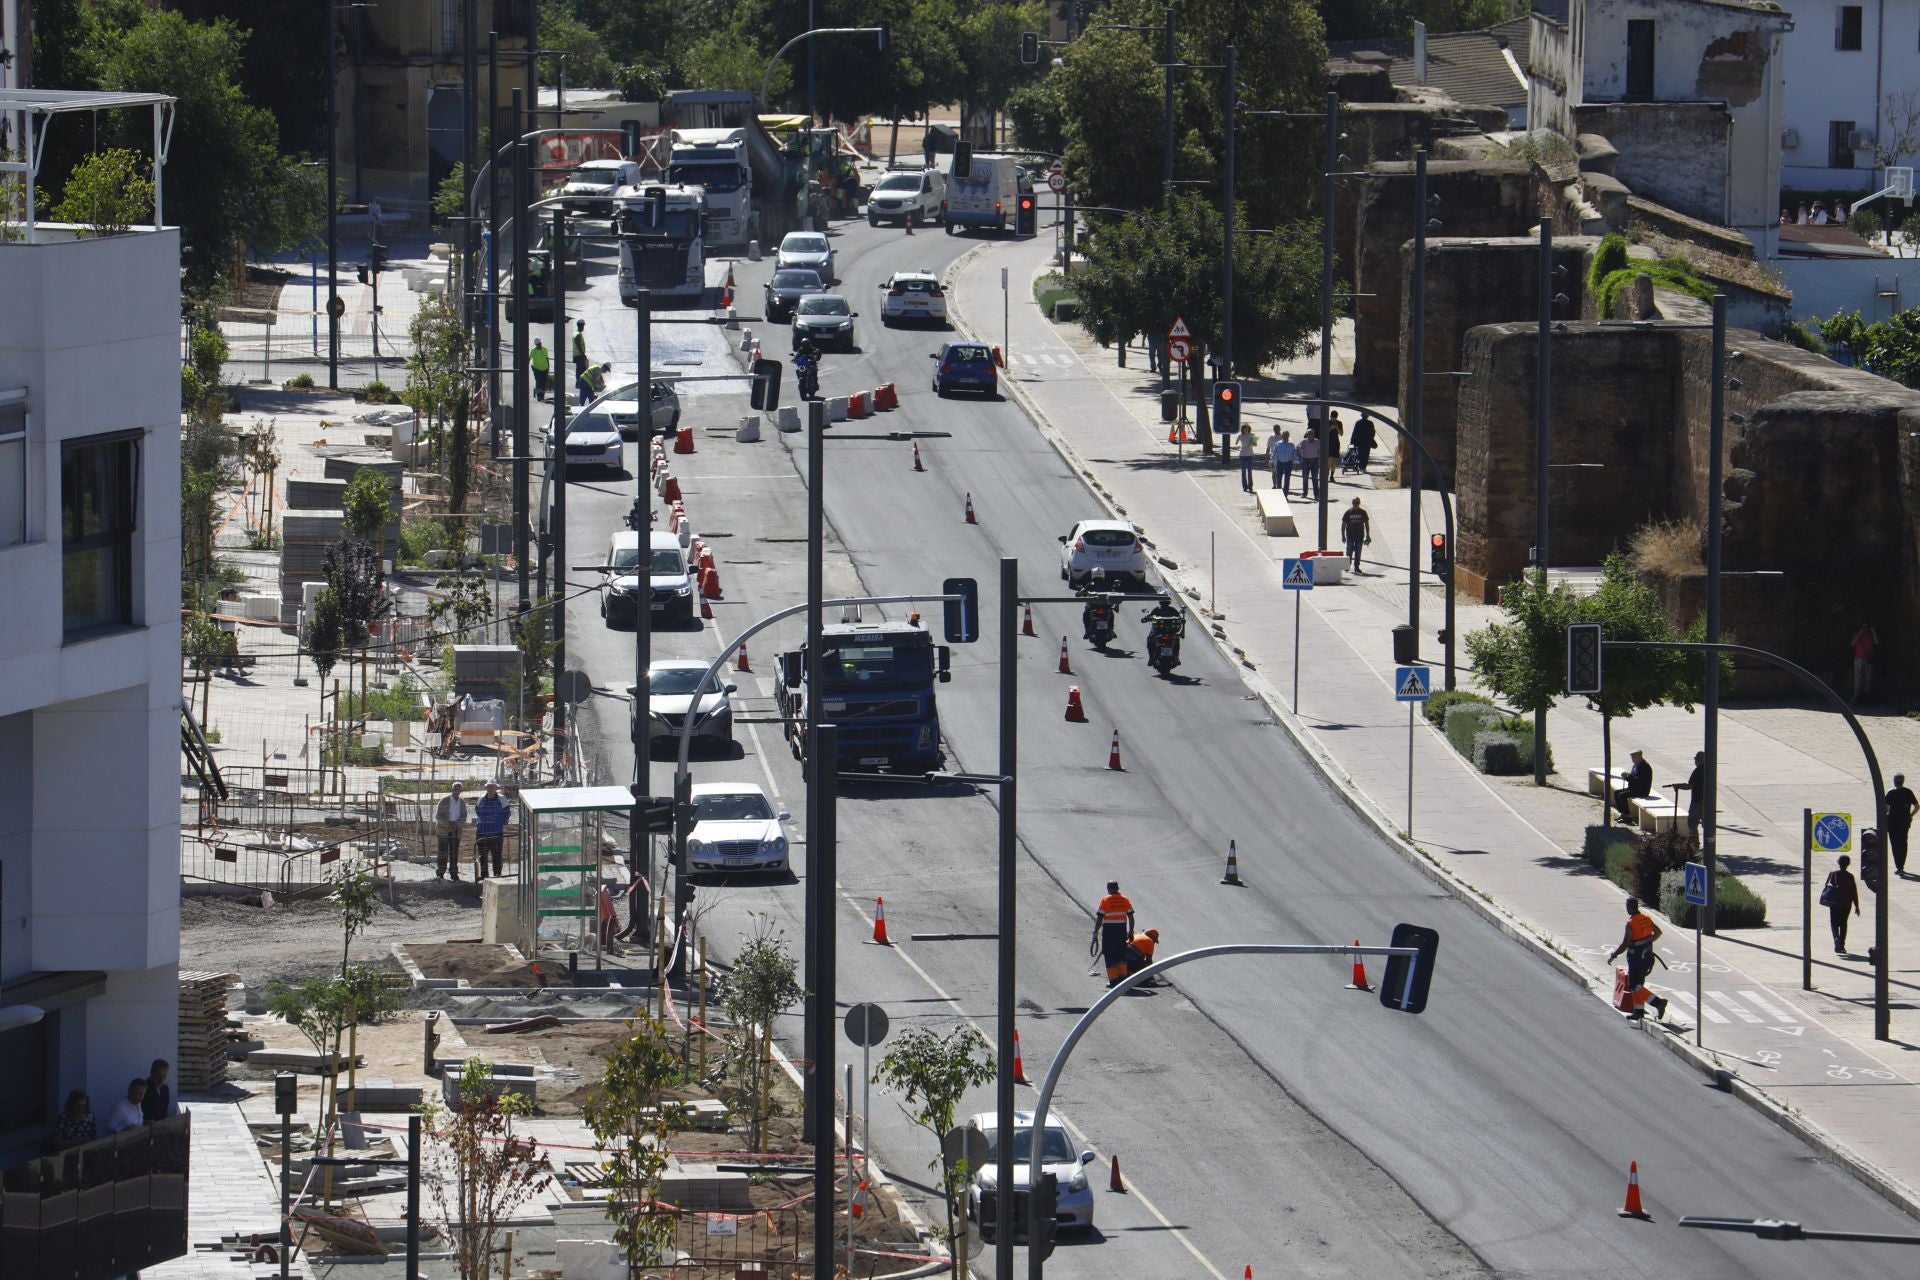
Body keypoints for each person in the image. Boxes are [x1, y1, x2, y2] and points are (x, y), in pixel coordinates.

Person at [1606, 897, 1668, 1020]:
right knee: (1638, 986)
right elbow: (1658, 932)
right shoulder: (1646, 918)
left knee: (1634, 986)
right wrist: (1647, 942)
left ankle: (1658, 1003)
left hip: (1637, 959)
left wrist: (1614, 955)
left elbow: (1625, 943)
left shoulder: (1631, 923)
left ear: (1629, 908)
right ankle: (1638, 1012)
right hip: (1648, 958)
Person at [1092, 881, 1135, 989]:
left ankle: (1113, 981)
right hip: (1121, 931)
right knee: (1121, 955)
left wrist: (1095, 932)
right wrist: (1131, 931)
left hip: (1109, 932)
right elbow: (1130, 917)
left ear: (1108, 888)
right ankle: (1122, 979)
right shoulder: (1125, 899)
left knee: (1109, 955)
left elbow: (1100, 917)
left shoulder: (1105, 900)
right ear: (1118, 888)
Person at [1823, 853, 1862, 953]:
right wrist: (1856, 906)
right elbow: (1854, 892)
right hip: (1846, 904)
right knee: (1843, 924)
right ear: (1848, 864)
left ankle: (1836, 938)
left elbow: (1829, 887)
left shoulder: (1834, 874)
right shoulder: (1850, 876)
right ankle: (1842, 945)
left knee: (1834, 923)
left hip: (1834, 903)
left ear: (1838, 863)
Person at [474, 781, 510, 878]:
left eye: (492, 787)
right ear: (487, 788)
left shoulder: (502, 799)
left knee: (497, 855)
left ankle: (497, 873)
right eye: (489, 787)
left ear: (496, 788)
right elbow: (477, 810)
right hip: (482, 832)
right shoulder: (481, 799)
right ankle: (484, 875)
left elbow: (507, 813)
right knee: (482, 855)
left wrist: (501, 822)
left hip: (496, 832)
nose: (491, 789)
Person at [435, 782, 469, 881]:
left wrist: (456, 825)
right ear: (452, 789)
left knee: (454, 853)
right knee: (443, 852)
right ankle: (440, 873)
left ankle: (454, 874)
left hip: (456, 830)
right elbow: (438, 816)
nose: (456, 790)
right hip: (443, 830)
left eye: (459, 789)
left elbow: (464, 816)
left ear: (461, 791)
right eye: (455, 788)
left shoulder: (462, 802)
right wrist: (447, 825)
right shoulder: (444, 800)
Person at [1886, 773, 1918, 875]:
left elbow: (1885, 808)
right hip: (1904, 822)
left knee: (1895, 844)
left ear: (1894, 781)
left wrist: (1886, 815)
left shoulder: (1891, 793)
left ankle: (1898, 867)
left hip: (1892, 822)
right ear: (1903, 781)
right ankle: (1901, 866)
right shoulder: (1908, 792)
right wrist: (1911, 815)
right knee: (1903, 843)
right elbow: (1917, 806)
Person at [1670, 751, 1706, 842]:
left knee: (1692, 824)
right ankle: (1708, 844)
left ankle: (1694, 844)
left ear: (1699, 761)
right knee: (1707, 824)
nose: (1695, 762)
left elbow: (1690, 786)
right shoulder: (1709, 770)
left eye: (1696, 760)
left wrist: (1679, 786)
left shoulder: (1697, 771)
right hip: (1707, 801)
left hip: (1697, 801)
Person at [1613, 749, 1652, 822]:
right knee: (1616, 792)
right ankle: (1622, 813)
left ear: (1639, 756)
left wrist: (1627, 777)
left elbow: (1638, 781)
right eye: (1632, 757)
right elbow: (1633, 777)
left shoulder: (1644, 767)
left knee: (1622, 795)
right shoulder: (1636, 764)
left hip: (1641, 790)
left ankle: (1627, 816)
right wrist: (1627, 775)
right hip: (1634, 788)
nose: (1632, 759)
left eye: (1633, 757)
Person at [1340, 498, 1372, 573]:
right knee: (1349, 551)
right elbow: (1343, 525)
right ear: (1352, 503)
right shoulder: (1348, 512)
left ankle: (1356, 567)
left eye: (1357, 503)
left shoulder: (1363, 512)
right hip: (1350, 535)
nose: (1355, 504)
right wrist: (1343, 536)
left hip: (1360, 536)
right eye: (1354, 503)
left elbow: (1367, 524)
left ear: (1359, 503)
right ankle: (1347, 566)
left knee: (1358, 552)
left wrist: (1368, 535)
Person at [1851, 622, 1879, 702]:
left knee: (1868, 679)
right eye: (1863, 627)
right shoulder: (1857, 635)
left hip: (1868, 659)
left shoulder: (1870, 636)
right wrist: (1859, 634)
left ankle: (1866, 696)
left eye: (1866, 628)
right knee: (1858, 679)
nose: (1864, 629)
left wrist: (1873, 631)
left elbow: (1876, 642)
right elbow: (1852, 644)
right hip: (1858, 659)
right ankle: (1856, 696)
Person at [1297, 427, 1322, 501]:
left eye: (1311, 434)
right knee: (1305, 478)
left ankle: (1316, 494)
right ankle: (1304, 493)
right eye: (1308, 434)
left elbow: (1320, 451)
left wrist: (1320, 460)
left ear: (1313, 435)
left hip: (1315, 461)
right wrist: (1298, 449)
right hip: (1305, 461)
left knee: (1315, 478)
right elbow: (1299, 450)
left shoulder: (1318, 441)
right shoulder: (1303, 441)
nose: (1309, 435)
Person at [1236, 421, 1258, 492]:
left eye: (1247, 429)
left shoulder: (1252, 435)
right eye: (1244, 429)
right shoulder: (1240, 436)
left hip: (1250, 455)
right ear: (1242, 430)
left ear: (1249, 429)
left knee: (1249, 471)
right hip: (1242, 455)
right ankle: (1244, 487)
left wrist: (1252, 443)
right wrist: (1238, 447)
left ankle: (1250, 486)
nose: (1245, 430)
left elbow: (1255, 444)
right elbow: (1236, 444)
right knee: (1243, 472)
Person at [529, 338, 550, 402]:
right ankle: (539, 396)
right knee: (539, 381)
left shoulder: (545, 349)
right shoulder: (533, 351)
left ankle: (542, 396)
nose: (539, 345)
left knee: (543, 382)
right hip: (537, 369)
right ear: (536, 344)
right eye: (538, 344)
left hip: (545, 369)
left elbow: (547, 359)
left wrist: (548, 367)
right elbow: (529, 359)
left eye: (540, 343)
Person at [572, 318, 589, 382]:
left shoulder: (577, 333)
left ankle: (579, 382)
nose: (583, 328)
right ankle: (579, 382)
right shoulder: (577, 334)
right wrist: (583, 354)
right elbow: (578, 345)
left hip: (577, 355)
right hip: (579, 355)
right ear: (580, 326)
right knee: (581, 370)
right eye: (583, 326)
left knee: (580, 369)